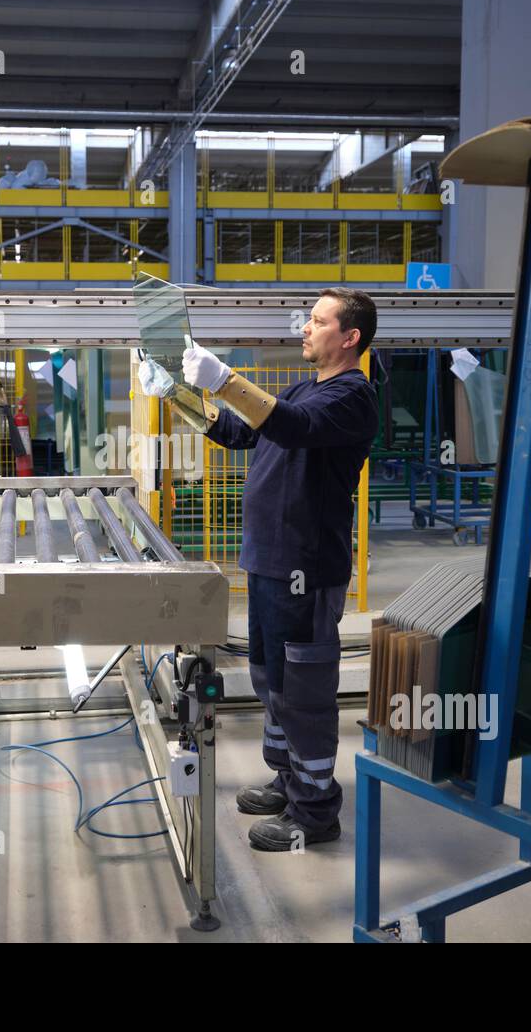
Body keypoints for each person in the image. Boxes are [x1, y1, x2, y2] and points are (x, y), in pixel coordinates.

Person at [139, 288, 379, 851]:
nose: (305, 328)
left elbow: (293, 426)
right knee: (271, 679)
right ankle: (288, 781)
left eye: (317, 321)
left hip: (306, 569)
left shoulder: (353, 396)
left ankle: (315, 811)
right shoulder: (302, 389)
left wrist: (224, 379)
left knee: (302, 689)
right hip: (270, 564)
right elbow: (239, 432)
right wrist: (176, 393)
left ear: (350, 337)